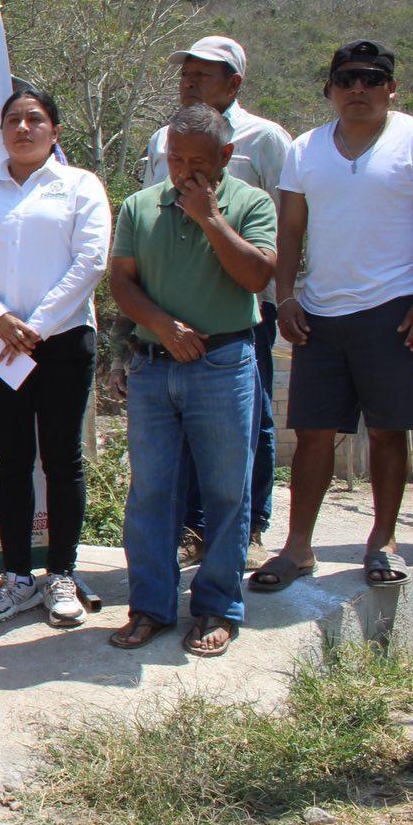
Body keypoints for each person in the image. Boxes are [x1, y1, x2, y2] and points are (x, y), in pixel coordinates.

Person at [257, 40, 413, 595]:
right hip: (321, 313)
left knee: (388, 430)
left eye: (372, 79)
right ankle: (297, 548)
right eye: (347, 79)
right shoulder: (305, 148)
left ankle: (383, 541)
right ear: (329, 89)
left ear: (391, 88)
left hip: (394, 307)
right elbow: (290, 231)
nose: (359, 88)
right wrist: (286, 297)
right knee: (312, 434)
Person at [108, 104, 275, 657]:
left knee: (227, 492)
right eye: (175, 159)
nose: (183, 172)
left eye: (197, 162)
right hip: (154, 367)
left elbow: (257, 275)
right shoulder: (139, 206)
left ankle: (216, 609)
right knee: (151, 493)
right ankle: (150, 607)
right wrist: (162, 326)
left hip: (223, 366)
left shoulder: (251, 203)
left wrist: (210, 218)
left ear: (225, 156)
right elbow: (122, 283)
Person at [0, 89, 111, 628]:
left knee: (62, 460)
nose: (23, 127)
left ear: (54, 131)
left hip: (63, 340)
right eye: (13, 119)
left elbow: (91, 260)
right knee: (12, 462)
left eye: (35, 119)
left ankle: (61, 574)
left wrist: (37, 324)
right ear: (1, 131)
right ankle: (16, 576)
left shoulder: (80, 185)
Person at [139, 36, 290, 564]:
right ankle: (190, 528)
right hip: (169, 309)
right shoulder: (162, 138)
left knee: (250, 420)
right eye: (186, 73)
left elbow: (288, 222)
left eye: (203, 75)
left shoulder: (265, 138)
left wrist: (286, 295)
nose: (189, 82)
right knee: (181, 425)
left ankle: (249, 528)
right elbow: (149, 213)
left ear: (234, 83)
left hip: (241, 307)